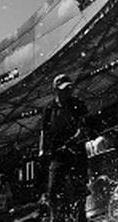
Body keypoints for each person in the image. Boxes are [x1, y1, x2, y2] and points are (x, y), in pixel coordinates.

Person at [39, 74, 90, 222]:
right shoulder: (49, 109)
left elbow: (84, 126)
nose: (68, 92)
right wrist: (42, 150)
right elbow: (44, 131)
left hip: (76, 150)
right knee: (53, 189)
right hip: (58, 153)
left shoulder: (77, 104)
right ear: (56, 90)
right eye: (63, 89)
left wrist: (76, 138)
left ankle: (81, 215)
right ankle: (55, 218)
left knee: (80, 186)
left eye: (69, 88)